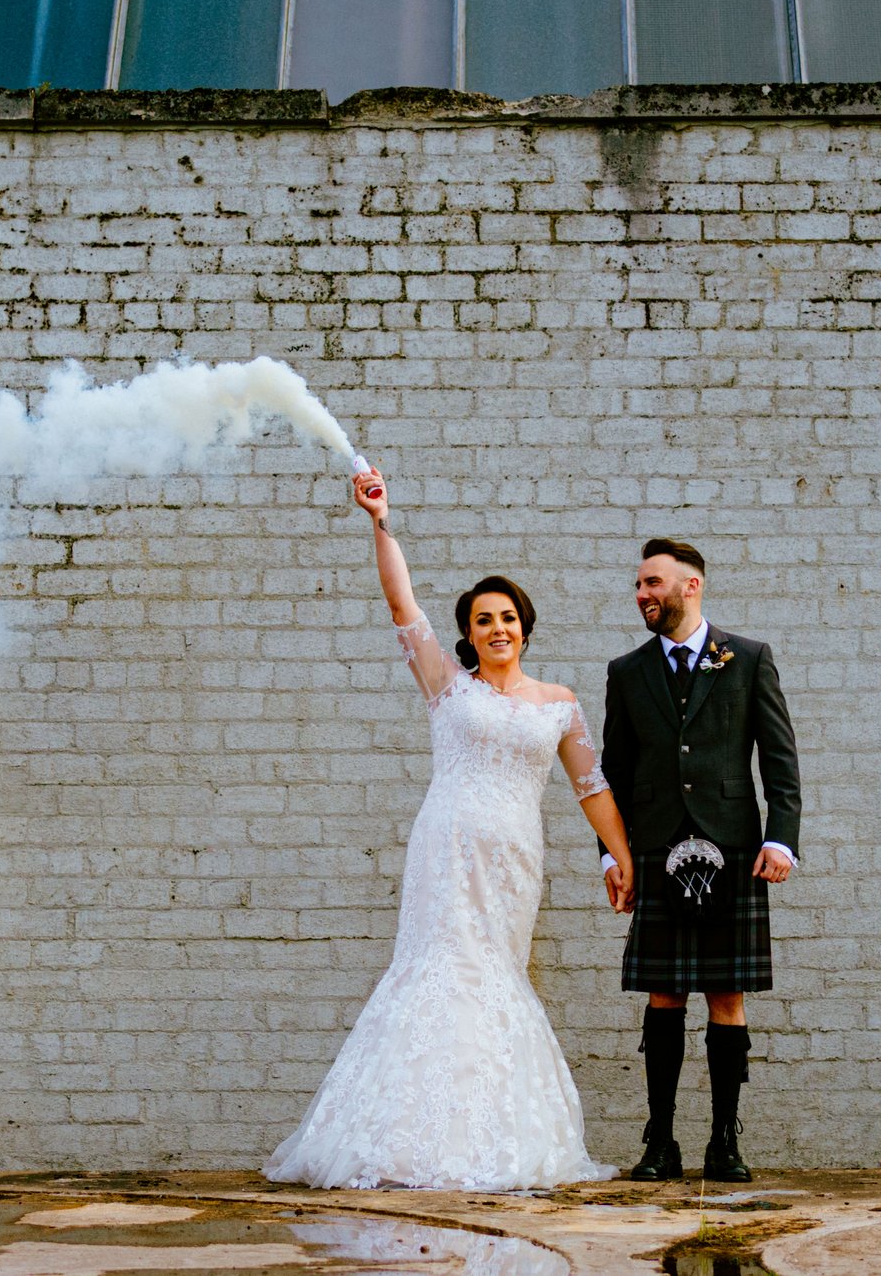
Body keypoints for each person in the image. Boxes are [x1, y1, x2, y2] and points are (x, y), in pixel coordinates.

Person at [264, 461, 635, 1190]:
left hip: (513, 860)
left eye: (508, 617)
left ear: (524, 627)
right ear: (469, 633)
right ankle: (408, 1142)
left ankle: (485, 1134)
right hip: (446, 846)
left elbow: (591, 786)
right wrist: (380, 522)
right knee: (438, 970)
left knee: (494, 976)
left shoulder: (558, 702)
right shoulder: (446, 686)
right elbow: (400, 602)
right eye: (483, 619)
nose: (497, 627)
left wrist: (618, 854)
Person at [600, 537, 801, 1183]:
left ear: (692, 586)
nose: (642, 595)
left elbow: (779, 759)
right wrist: (613, 855)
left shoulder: (746, 659)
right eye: (638, 585)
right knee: (663, 995)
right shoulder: (627, 673)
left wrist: (781, 837)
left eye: (653, 583)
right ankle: (660, 1141)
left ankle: (723, 1140)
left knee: (726, 996)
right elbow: (614, 774)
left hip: (735, 851)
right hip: (657, 851)